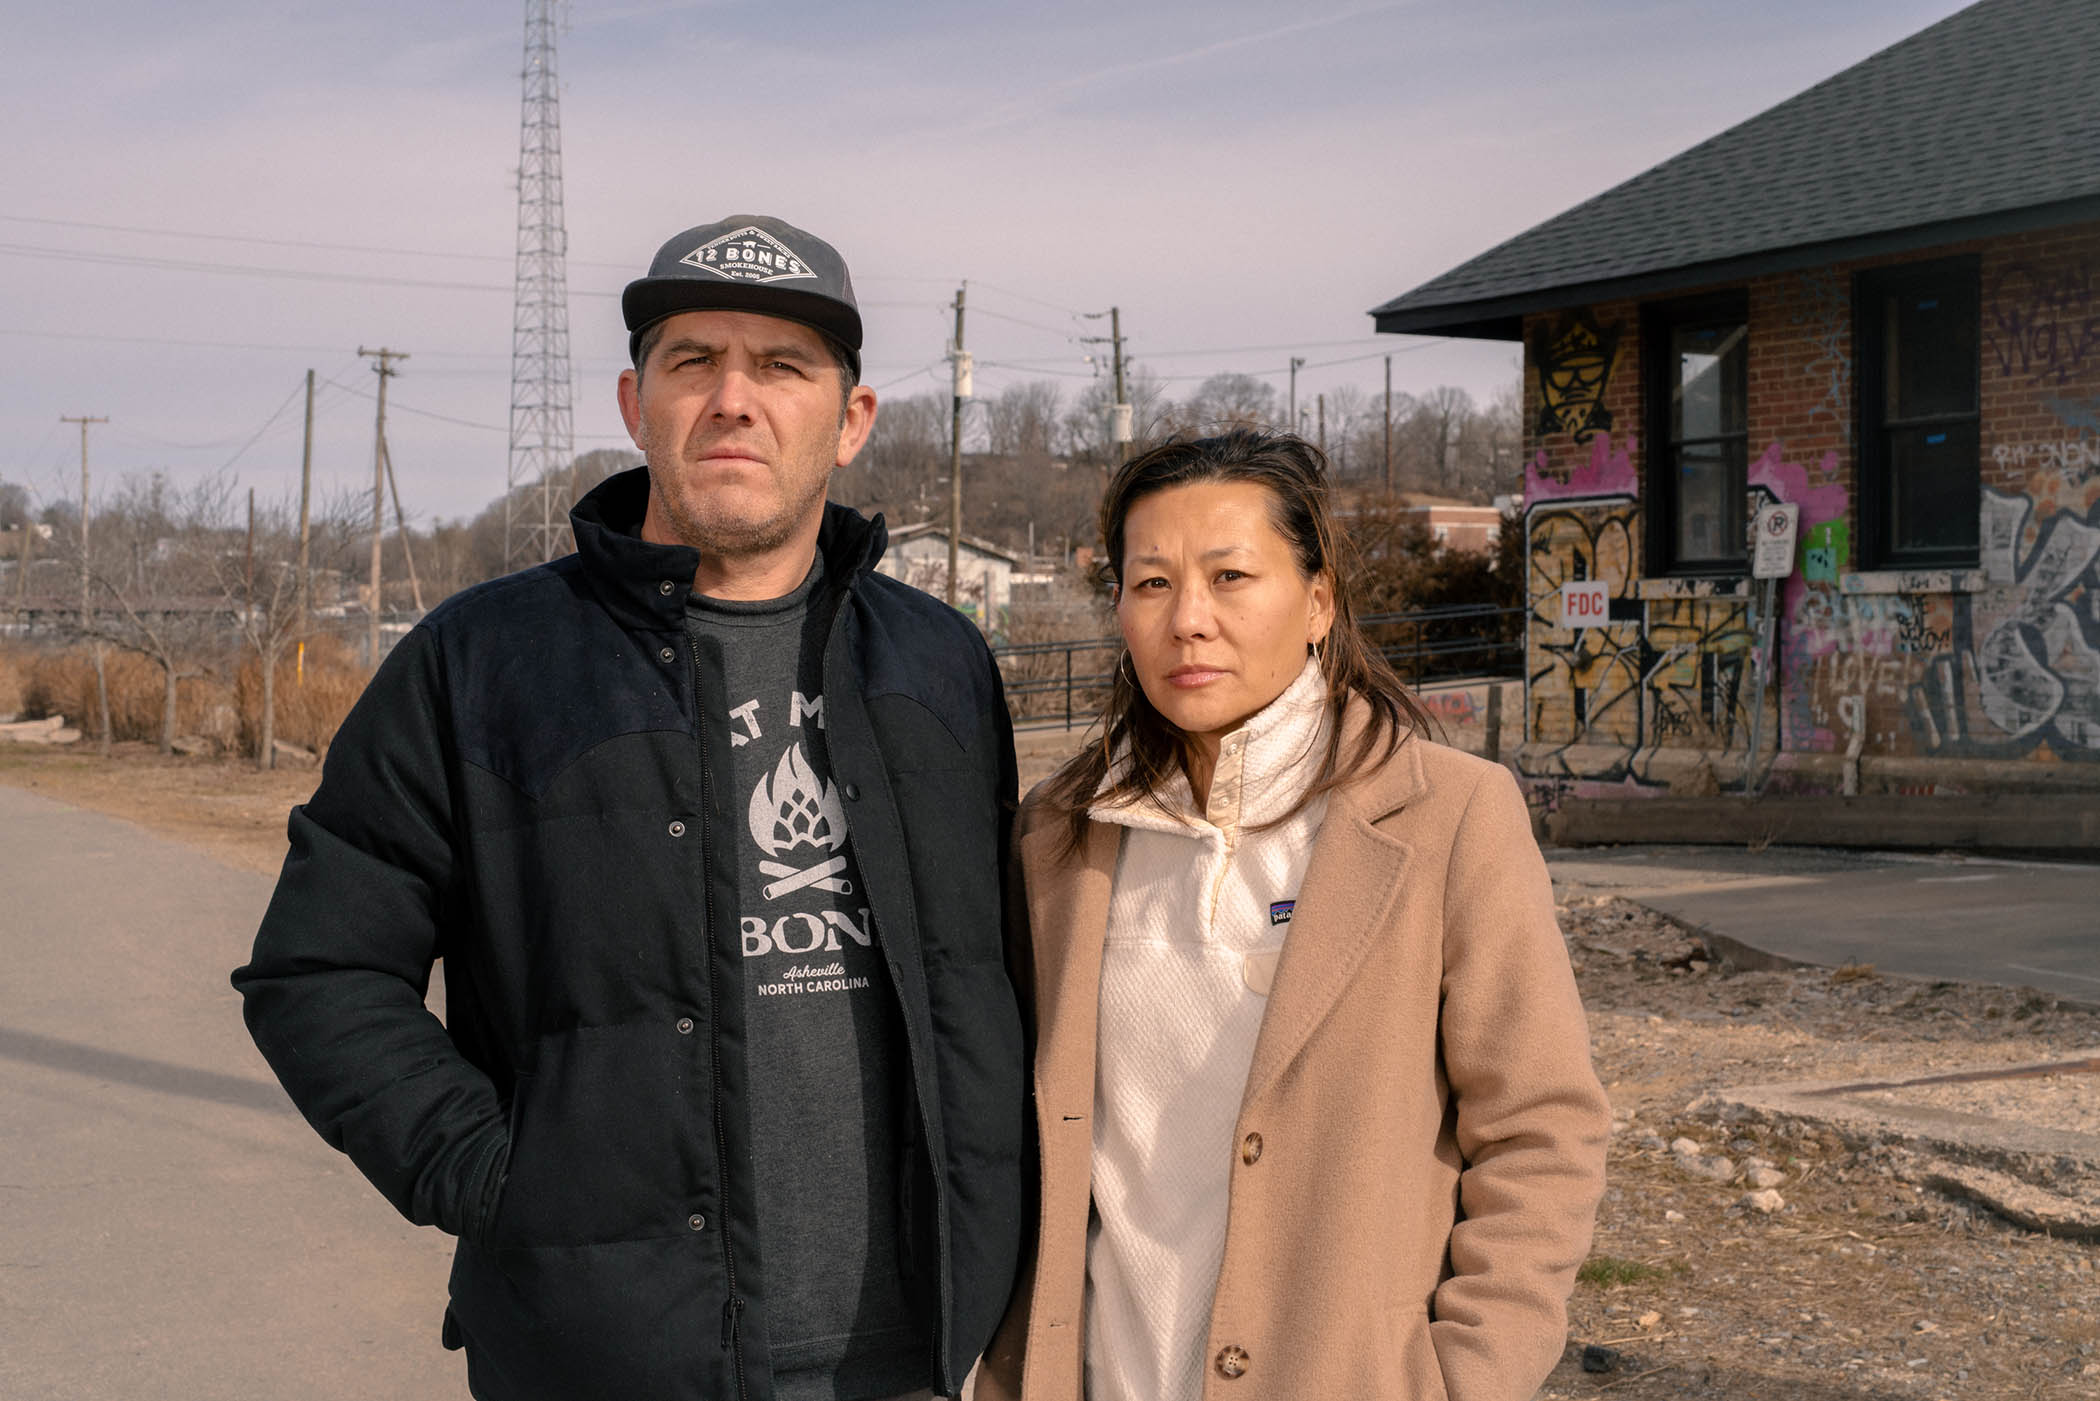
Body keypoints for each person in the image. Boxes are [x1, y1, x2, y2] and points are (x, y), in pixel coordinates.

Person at [233, 215, 1027, 1401]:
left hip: (918, 1352)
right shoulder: (484, 665)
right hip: (604, 1357)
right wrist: (500, 1180)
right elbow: (319, 972)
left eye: (783, 366)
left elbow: (998, 972)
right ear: (633, 401)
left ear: (851, 420)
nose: (733, 399)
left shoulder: (939, 666)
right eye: (693, 360)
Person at [978, 430, 1610, 1401]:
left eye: (1231, 576)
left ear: (1318, 601)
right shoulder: (1062, 835)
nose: (1189, 620)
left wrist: (1468, 1377)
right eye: (1151, 584)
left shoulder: (1448, 818)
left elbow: (1541, 1130)